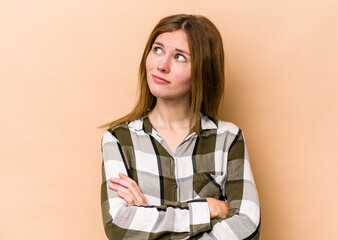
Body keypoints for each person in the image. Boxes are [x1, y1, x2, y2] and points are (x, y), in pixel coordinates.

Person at [100, 14, 260, 239]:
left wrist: (147, 215)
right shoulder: (118, 139)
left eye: (180, 57)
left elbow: (247, 226)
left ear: (202, 71)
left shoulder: (229, 138)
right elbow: (119, 224)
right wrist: (208, 209)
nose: (162, 65)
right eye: (157, 49)